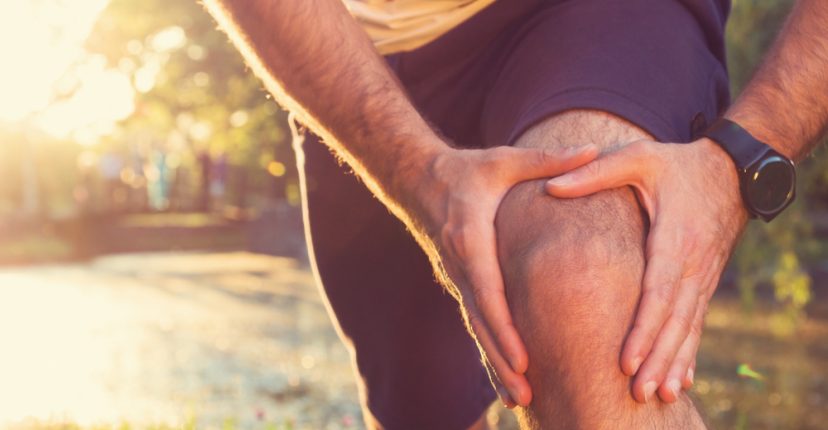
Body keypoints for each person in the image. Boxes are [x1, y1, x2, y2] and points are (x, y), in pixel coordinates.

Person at [203, 0, 828, 428]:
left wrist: (742, 155)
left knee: (580, 278)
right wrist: (414, 172)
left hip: (599, 17)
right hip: (351, 46)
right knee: (428, 410)